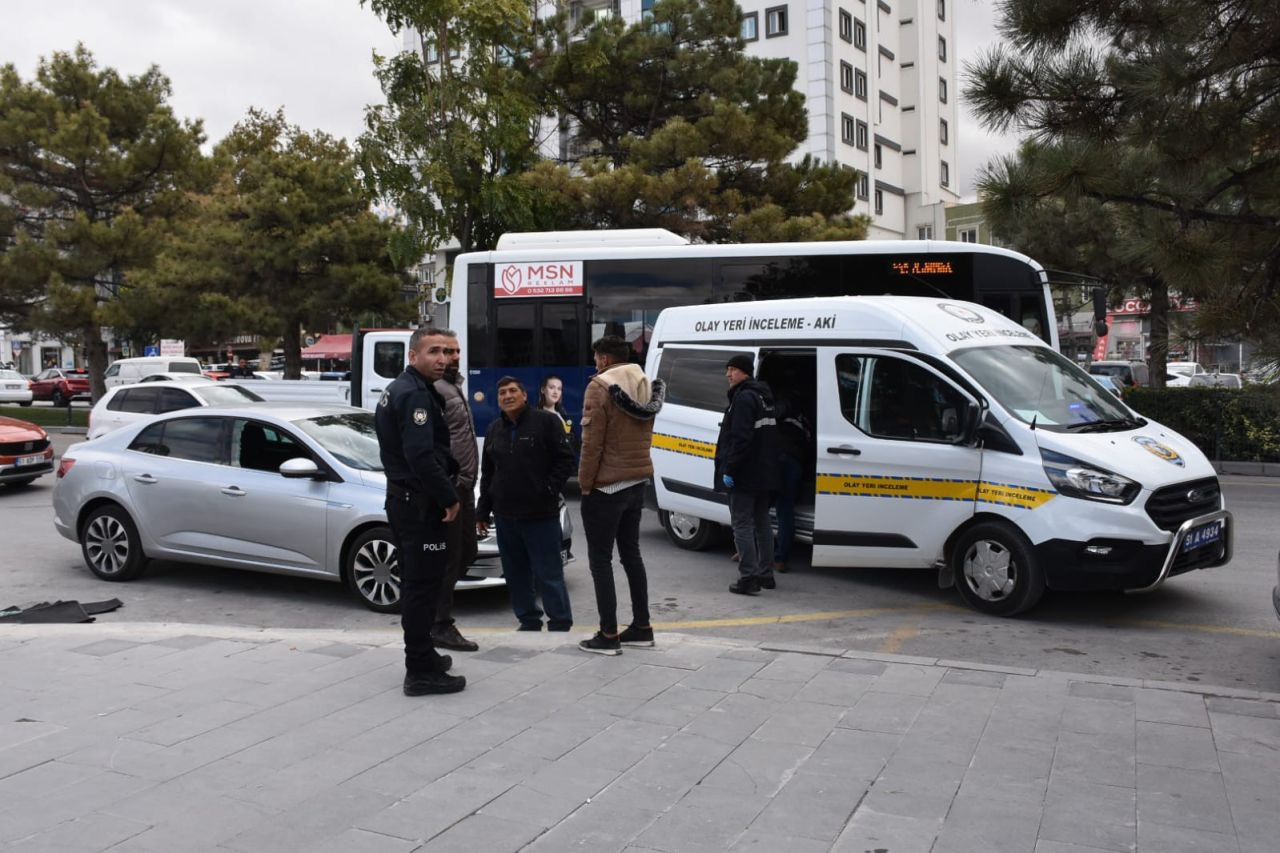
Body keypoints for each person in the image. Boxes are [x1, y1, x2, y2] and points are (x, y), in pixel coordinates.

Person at [373, 327, 466, 696]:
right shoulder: (414, 395)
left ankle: (425, 654)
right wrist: (449, 497)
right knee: (421, 588)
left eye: (446, 352)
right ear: (413, 356)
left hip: (405, 501)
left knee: (420, 584)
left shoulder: (405, 387)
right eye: (434, 352)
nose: (443, 359)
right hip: (419, 506)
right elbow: (420, 456)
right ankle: (419, 668)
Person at [577, 335, 666, 655]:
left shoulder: (599, 386)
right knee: (631, 555)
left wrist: (585, 484)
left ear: (602, 358)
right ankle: (642, 627)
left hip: (607, 484)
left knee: (600, 561)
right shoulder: (644, 382)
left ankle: (608, 634)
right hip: (637, 480)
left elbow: (592, 444)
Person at [477, 376, 576, 632]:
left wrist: (548, 489)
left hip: (540, 516)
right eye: (502, 393)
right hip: (505, 516)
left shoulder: (545, 423)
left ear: (524, 395)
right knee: (516, 574)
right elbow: (488, 474)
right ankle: (528, 621)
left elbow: (565, 460)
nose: (507, 396)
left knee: (549, 574)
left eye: (512, 391)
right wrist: (482, 511)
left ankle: (560, 622)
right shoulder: (493, 429)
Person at [714, 354, 781, 596]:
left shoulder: (743, 398)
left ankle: (749, 577)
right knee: (762, 522)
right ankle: (766, 574)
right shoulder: (764, 396)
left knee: (741, 524)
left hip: (745, 473)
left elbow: (740, 439)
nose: (728, 375)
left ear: (744, 372)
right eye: (727, 369)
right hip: (764, 473)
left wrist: (730, 470)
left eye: (732, 370)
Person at [432, 330, 480, 653]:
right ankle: (439, 623)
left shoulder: (454, 387)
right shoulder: (436, 390)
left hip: (465, 485)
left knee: (467, 552)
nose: (454, 356)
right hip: (452, 486)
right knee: (450, 558)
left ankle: (438, 611)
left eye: (457, 350)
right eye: (447, 352)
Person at [772, 389, 812, 574]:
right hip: (794, 463)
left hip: (774, 459)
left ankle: (748, 549)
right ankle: (780, 559)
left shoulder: (781, 409)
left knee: (758, 507)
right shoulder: (806, 421)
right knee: (785, 510)